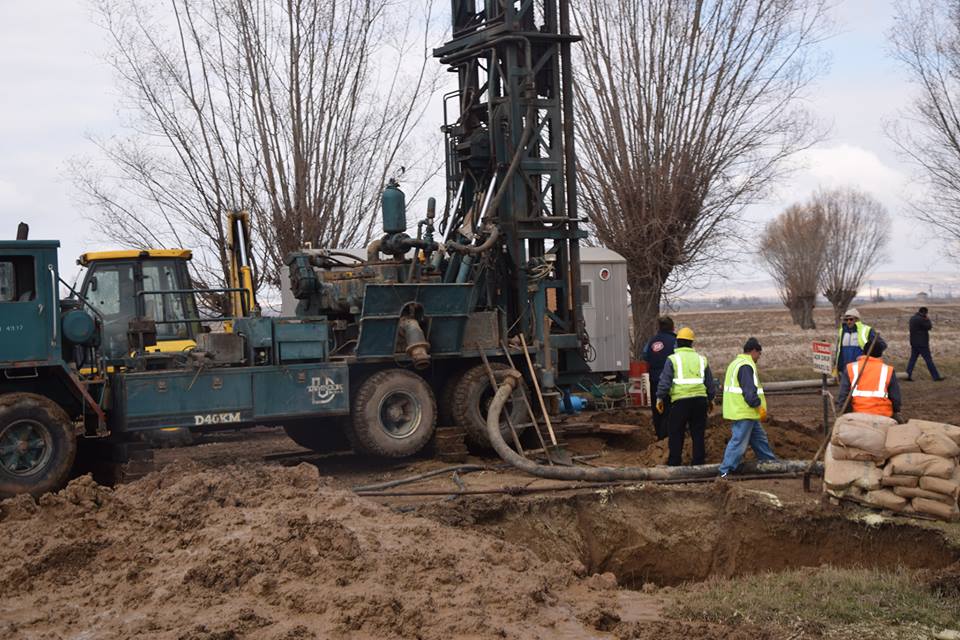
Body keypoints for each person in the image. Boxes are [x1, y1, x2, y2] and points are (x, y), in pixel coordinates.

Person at [655, 327, 716, 466]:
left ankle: (675, 462)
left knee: (676, 433)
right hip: (700, 401)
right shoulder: (702, 360)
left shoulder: (672, 359)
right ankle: (699, 463)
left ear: (677, 342)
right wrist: (711, 399)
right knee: (698, 433)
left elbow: (665, 382)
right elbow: (709, 383)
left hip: (680, 402)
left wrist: (659, 397)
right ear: (691, 343)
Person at [718, 337, 777, 478]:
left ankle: (770, 463)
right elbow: (749, 392)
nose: (759, 357)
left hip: (746, 411)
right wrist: (758, 406)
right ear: (754, 351)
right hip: (745, 410)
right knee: (739, 441)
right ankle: (725, 471)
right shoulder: (746, 366)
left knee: (759, 438)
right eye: (759, 354)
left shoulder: (735, 363)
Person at [836, 336, 902, 419]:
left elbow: (843, 396)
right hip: (883, 414)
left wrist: (844, 412)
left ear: (863, 352)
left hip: (857, 413)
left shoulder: (850, 368)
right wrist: (896, 411)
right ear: (880, 354)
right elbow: (895, 399)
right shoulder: (888, 370)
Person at [642, 316, 677, 440]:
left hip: (655, 379)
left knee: (657, 408)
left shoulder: (651, 341)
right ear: (672, 327)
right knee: (670, 408)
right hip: (671, 381)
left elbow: (645, 355)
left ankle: (659, 435)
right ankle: (668, 435)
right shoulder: (675, 341)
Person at [906, 306, 945, 382]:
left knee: (912, 360)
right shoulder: (922, 319)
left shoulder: (912, 318)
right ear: (924, 312)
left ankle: (907, 375)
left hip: (914, 342)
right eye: (926, 313)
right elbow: (929, 327)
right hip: (922, 343)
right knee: (928, 360)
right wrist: (927, 319)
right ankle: (936, 377)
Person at [834, 308, 876, 375]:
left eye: (851, 319)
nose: (848, 322)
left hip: (861, 369)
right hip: (845, 369)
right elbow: (838, 350)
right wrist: (836, 364)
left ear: (857, 319)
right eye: (846, 320)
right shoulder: (842, 331)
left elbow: (880, 346)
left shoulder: (867, 330)